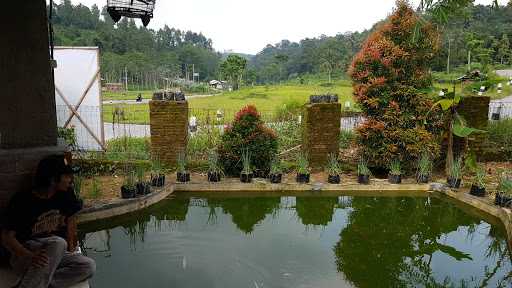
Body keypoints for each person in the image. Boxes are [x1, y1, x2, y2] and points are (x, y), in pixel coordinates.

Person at [1, 155, 95, 288]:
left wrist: (72, 244)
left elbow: (71, 218)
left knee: (88, 266)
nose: (71, 180)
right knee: (58, 242)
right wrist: (29, 256)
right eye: (67, 176)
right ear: (53, 180)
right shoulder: (22, 200)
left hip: (55, 254)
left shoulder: (66, 193)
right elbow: (6, 237)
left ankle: (40, 283)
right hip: (26, 255)